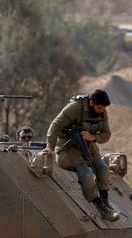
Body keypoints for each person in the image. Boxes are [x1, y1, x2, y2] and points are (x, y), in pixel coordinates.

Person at [44, 89, 119, 222]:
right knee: (87, 174)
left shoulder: (102, 113)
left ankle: (105, 201)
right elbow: (55, 125)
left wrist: (93, 137)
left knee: (103, 169)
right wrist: (49, 147)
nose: (102, 110)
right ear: (91, 103)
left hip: (88, 145)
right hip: (68, 148)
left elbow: (106, 134)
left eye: (104, 108)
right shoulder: (75, 107)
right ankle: (100, 207)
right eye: (100, 107)